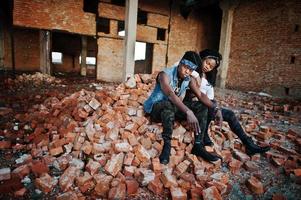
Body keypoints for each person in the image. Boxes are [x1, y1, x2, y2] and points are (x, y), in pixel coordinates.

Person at [144, 51, 223, 164]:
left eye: (191, 70)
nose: (187, 71)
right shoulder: (164, 75)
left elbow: (200, 95)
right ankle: (167, 146)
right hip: (155, 109)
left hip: (172, 108)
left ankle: (198, 145)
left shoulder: (188, 78)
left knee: (202, 106)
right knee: (168, 104)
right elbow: (170, 95)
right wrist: (188, 112)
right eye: (186, 67)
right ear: (180, 63)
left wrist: (216, 108)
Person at [196, 49, 270, 155]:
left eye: (211, 66)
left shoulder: (208, 78)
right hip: (194, 105)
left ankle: (248, 144)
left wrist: (217, 108)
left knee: (229, 114)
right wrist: (215, 108)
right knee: (208, 107)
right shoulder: (193, 72)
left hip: (206, 105)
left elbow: (211, 98)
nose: (207, 67)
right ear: (202, 58)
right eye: (207, 63)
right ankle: (204, 135)